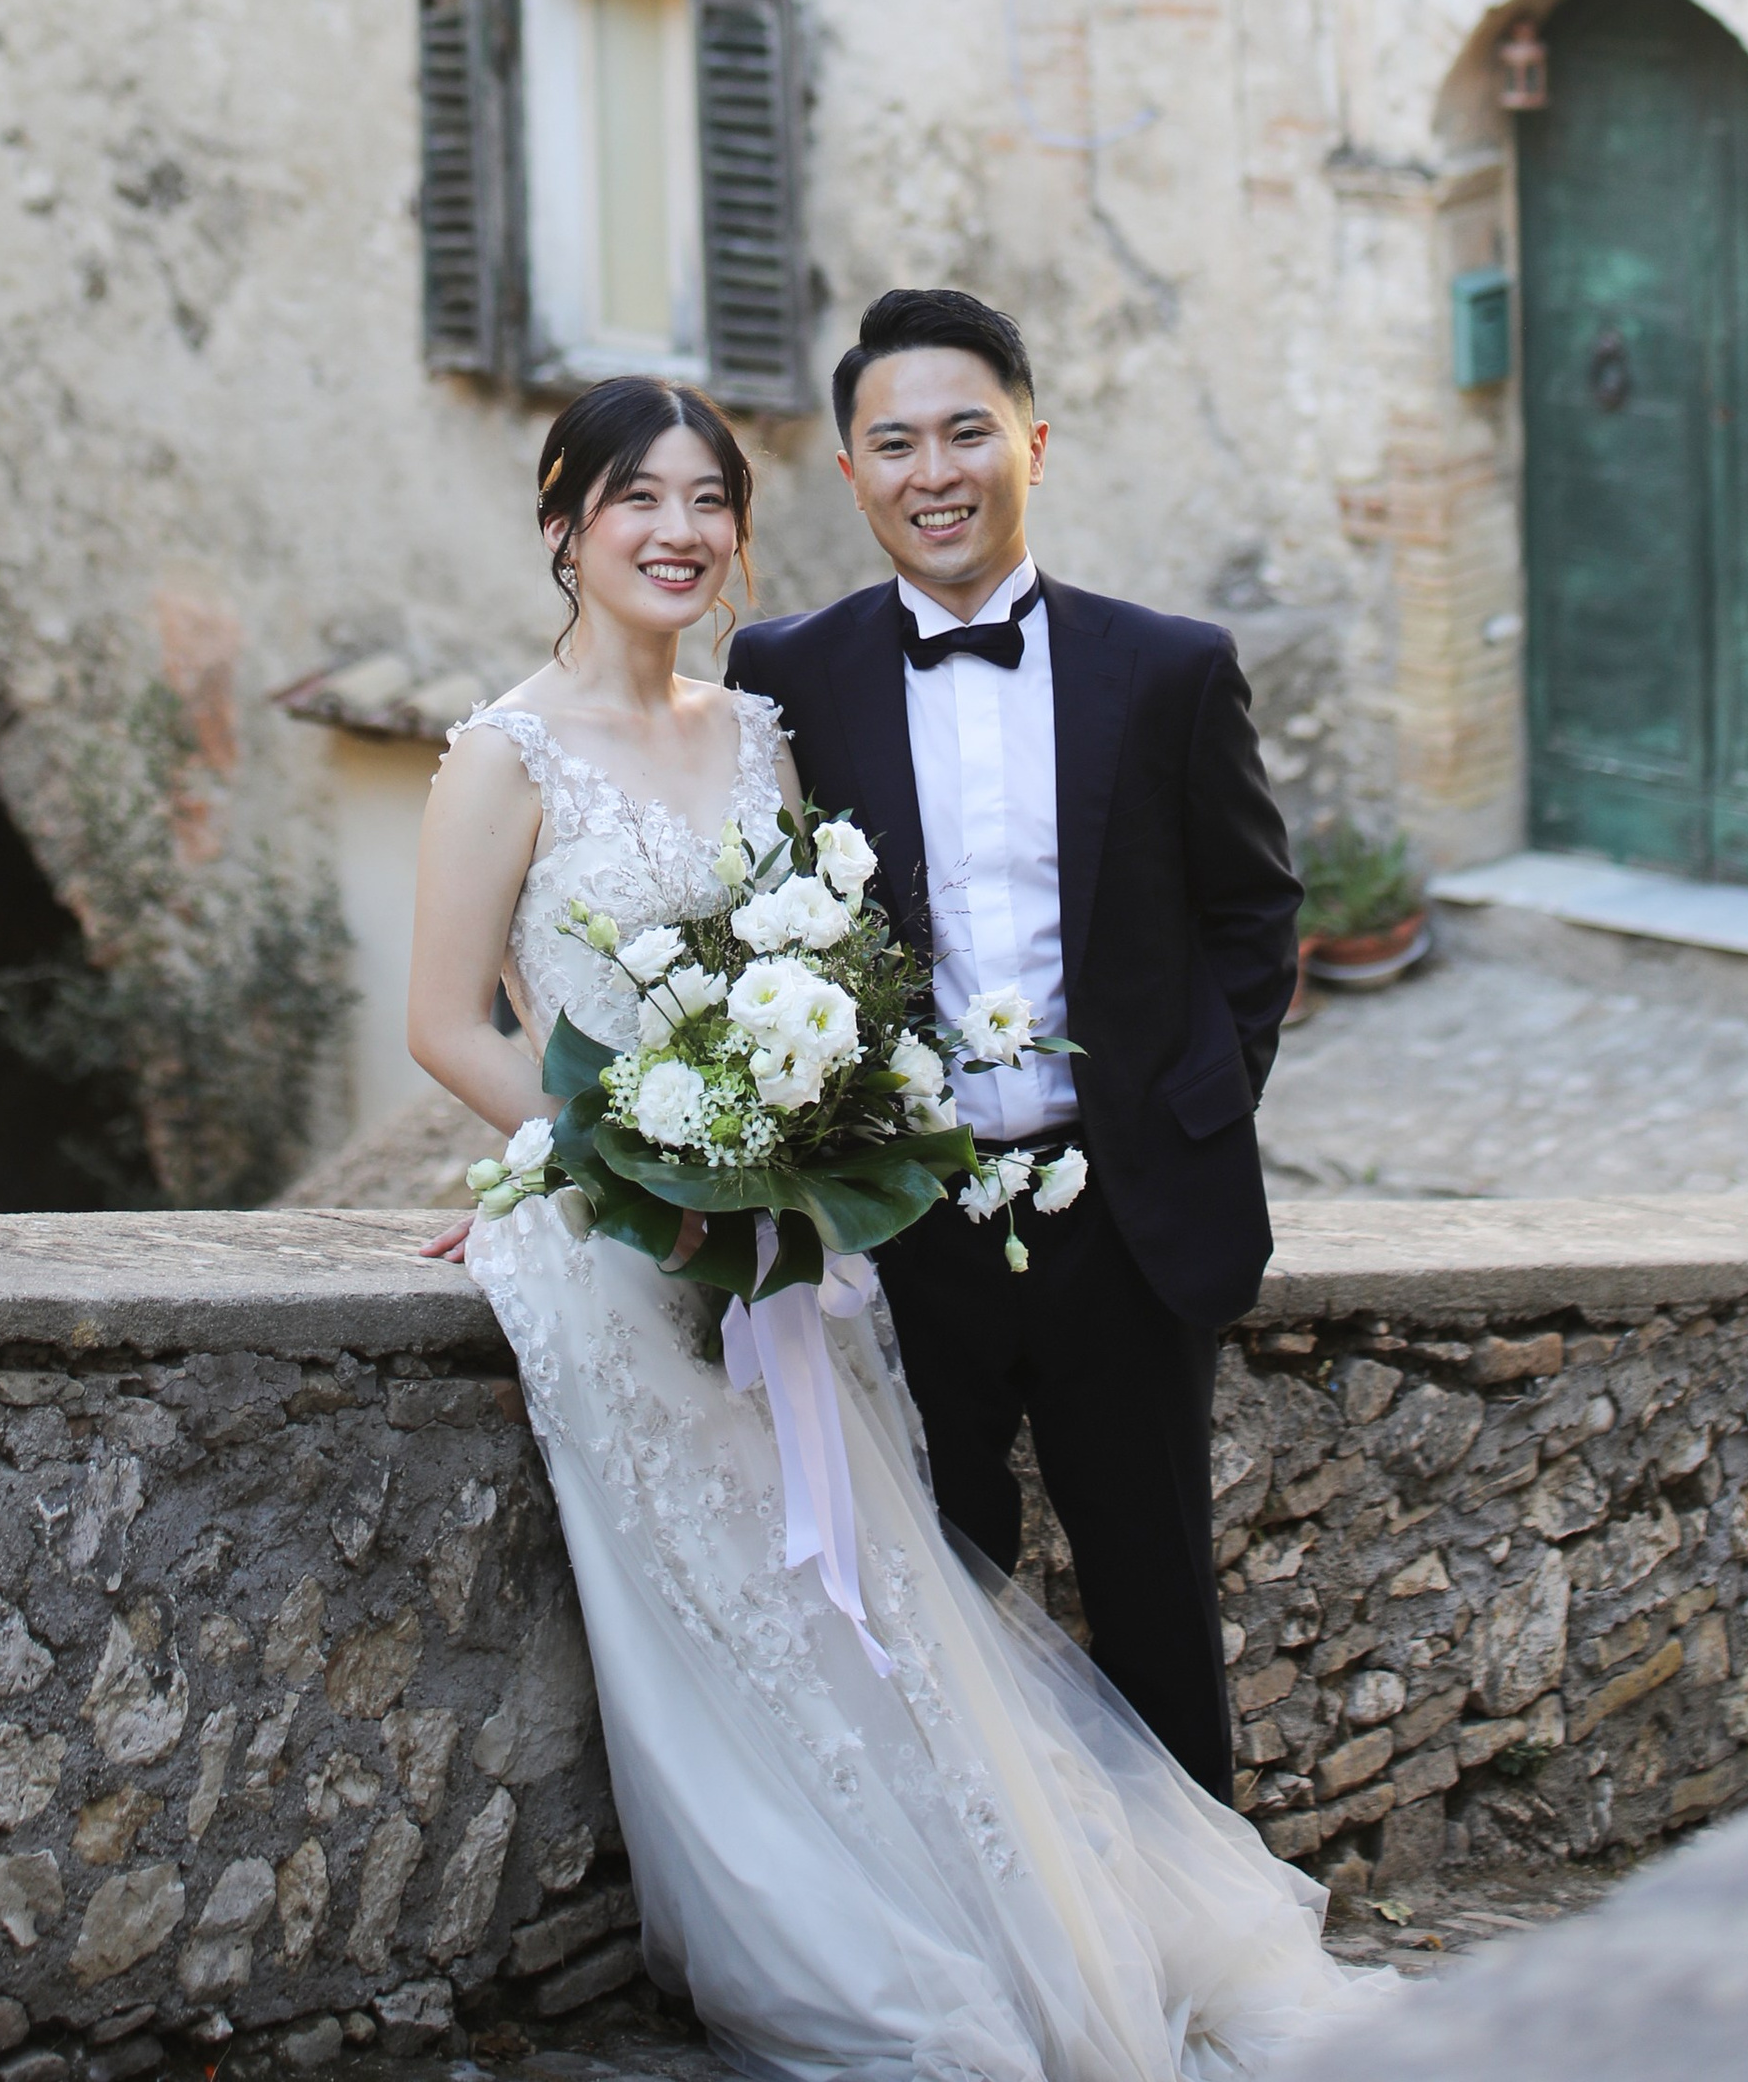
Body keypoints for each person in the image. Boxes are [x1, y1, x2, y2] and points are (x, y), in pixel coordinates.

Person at [408, 369, 1380, 2082]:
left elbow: (837, 981)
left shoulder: (760, 726)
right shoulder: (503, 755)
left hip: (810, 1242)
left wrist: (800, 1155)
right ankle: (867, 1941)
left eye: (708, 499)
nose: (680, 530)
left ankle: (1056, 1914)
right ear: (563, 524)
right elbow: (450, 1023)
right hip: (644, 1262)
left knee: (898, 1604)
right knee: (748, 1606)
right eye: (638, 499)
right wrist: (585, 1165)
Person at [726, 286, 1301, 1803]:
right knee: (930, 1602)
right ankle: (1012, 1950)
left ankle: (1196, 1959)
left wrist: (1196, 1104)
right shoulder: (783, 674)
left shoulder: (1169, 668)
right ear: (848, 474)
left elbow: (1254, 914)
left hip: (1121, 1217)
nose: (935, 471)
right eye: (894, 441)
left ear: (1031, 444)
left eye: (966, 432)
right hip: (900, 1226)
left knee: (1157, 1598)